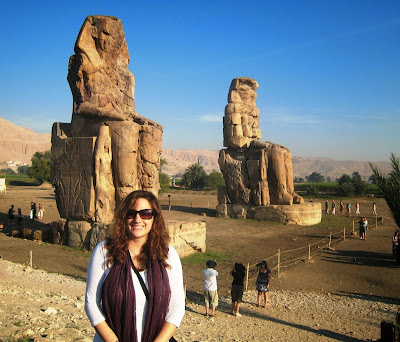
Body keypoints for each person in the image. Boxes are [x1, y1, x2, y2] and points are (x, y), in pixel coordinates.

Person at [85, 190, 185, 342]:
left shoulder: (168, 254)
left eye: (145, 214)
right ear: (123, 217)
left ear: (154, 218)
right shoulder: (105, 250)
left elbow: (177, 307)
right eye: (131, 213)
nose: (137, 219)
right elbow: (91, 302)